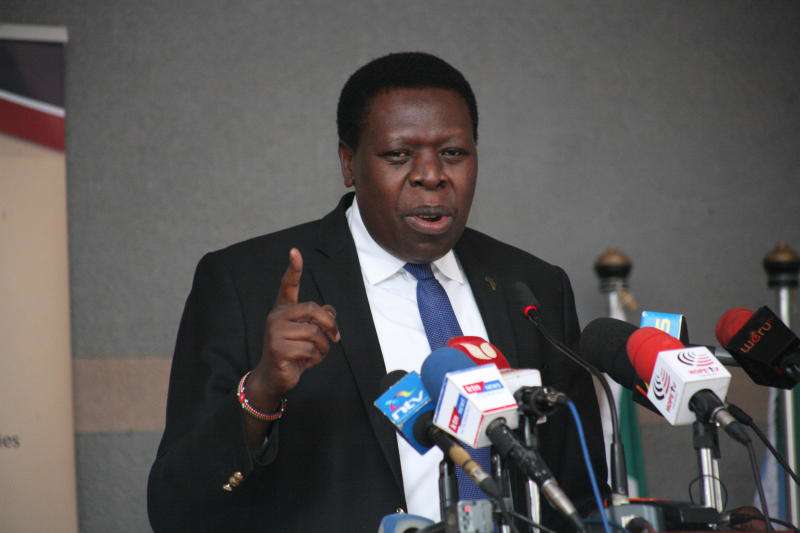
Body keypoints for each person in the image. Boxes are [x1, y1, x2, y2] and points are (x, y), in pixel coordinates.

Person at [148, 52, 607, 533]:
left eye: (453, 153)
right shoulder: (244, 283)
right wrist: (261, 390)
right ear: (349, 164)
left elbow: (582, 497)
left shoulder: (533, 287)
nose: (431, 174)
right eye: (399, 155)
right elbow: (175, 508)